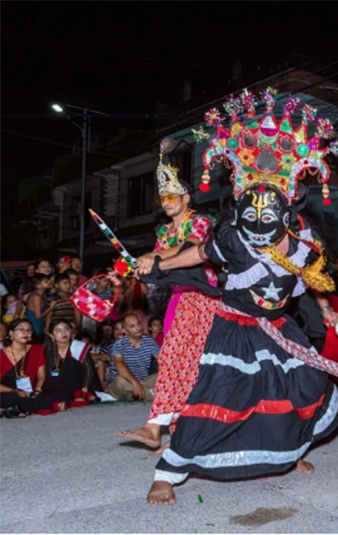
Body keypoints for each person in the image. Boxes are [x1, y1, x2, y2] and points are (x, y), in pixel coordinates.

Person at [137, 101, 338, 505]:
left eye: (269, 218)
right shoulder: (231, 236)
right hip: (235, 325)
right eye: (251, 216)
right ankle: (167, 472)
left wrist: (328, 310)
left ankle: (291, 453)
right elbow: (196, 255)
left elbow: (314, 284)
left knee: (304, 385)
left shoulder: (303, 245)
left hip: (279, 328)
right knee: (219, 393)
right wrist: (161, 261)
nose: (259, 227)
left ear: (288, 210)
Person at [117, 145, 220, 454]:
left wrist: (151, 256)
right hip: (178, 300)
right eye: (162, 198)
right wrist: (135, 270)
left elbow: (185, 251)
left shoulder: (200, 222)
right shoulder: (164, 231)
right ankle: (172, 433)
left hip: (202, 298)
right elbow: (159, 265)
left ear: (186, 197)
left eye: (172, 196)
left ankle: (159, 428)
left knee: (183, 362)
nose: (166, 203)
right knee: (177, 363)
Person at [40, 319, 96, 410]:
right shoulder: (47, 348)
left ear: (71, 332)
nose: (63, 333)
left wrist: (84, 390)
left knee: (70, 363)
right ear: (51, 335)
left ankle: (77, 397)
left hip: (77, 384)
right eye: (58, 331)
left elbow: (88, 370)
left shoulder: (79, 346)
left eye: (66, 329)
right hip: (54, 384)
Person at [0, 319, 51, 417]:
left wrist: (37, 390)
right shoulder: (1, 355)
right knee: (9, 398)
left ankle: (10, 409)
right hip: (9, 391)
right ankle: (16, 408)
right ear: (11, 333)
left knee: (45, 399)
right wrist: (16, 392)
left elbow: (41, 377)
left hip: (30, 391)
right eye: (21, 330)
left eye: (29, 330)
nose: (25, 333)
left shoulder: (38, 350)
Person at [107, 314, 159, 401]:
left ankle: (135, 395)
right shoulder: (119, 344)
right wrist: (134, 382)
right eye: (132, 326)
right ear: (125, 330)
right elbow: (119, 365)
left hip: (143, 382)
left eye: (139, 324)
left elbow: (162, 360)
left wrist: (163, 375)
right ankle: (155, 394)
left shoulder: (149, 341)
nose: (138, 328)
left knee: (167, 375)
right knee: (120, 380)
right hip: (124, 383)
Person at [25, 274, 55, 343]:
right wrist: (51, 307)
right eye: (46, 281)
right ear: (38, 285)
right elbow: (38, 316)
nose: (49, 282)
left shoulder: (43, 294)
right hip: (35, 329)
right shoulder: (36, 297)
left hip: (41, 327)